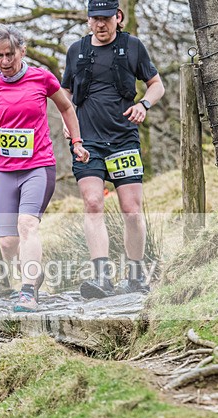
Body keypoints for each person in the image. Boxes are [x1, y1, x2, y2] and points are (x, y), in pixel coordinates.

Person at [0, 24, 89, 313]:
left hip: (39, 165)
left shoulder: (41, 78)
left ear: (22, 51)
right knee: (8, 243)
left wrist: (76, 140)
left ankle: (27, 291)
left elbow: (67, 108)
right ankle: (34, 272)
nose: (5, 62)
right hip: (6, 170)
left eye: (10, 54)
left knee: (27, 225)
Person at [62, 0, 164, 298]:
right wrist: (68, 120)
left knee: (131, 211)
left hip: (123, 139)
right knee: (93, 203)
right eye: (95, 19)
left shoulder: (133, 47)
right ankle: (102, 277)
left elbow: (156, 84)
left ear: (118, 17)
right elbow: (65, 92)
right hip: (87, 141)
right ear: (88, 19)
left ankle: (135, 275)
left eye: (106, 18)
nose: (101, 25)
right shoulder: (76, 50)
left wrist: (144, 104)